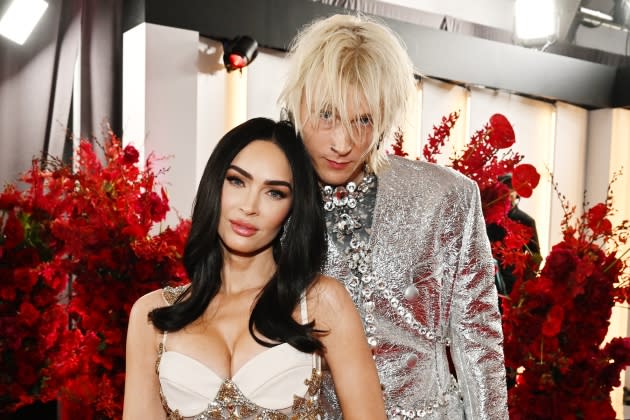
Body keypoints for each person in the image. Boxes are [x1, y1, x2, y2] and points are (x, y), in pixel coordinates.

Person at [279, 14, 508, 419]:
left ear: (386, 116)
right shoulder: (275, 196)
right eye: (326, 114)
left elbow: (478, 340)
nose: (342, 142)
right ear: (298, 102)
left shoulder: (446, 196)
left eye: (363, 119)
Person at [122, 118, 386, 419]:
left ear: (292, 208)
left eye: (274, 192)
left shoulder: (321, 301)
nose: (249, 206)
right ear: (214, 184)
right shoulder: (152, 314)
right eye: (237, 181)